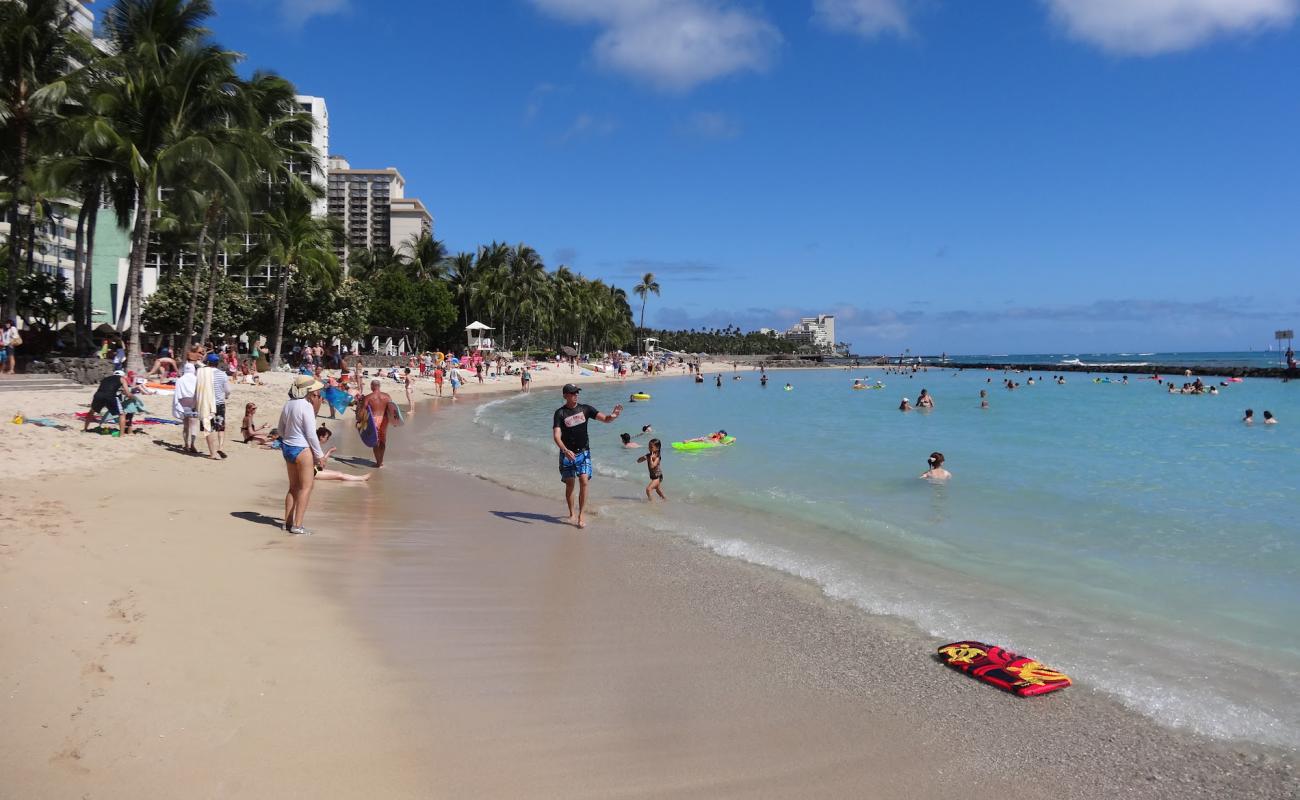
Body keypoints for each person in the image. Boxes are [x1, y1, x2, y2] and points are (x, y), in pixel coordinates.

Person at [552, 383, 622, 529]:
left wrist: (613, 415)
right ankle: (571, 512)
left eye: (577, 392)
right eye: (572, 393)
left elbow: (606, 419)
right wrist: (565, 450)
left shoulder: (586, 409)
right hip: (567, 453)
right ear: (565, 396)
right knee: (570, 484)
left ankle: (581, 515)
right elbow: (556, 436)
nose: (575, 395)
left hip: (583, 451)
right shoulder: (560, 413)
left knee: (584, 481)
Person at [278, 375, 326, 534]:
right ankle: (297, 526)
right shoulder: (306, 407)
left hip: (288, 448)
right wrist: (320, 455)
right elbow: (311, 434)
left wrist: (288, 439)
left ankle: (287, 523)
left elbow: (281, 430)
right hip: (302, 449)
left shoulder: (288, 404)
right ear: (309, 391)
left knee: (293, 487)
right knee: (306, 487)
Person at [356, 378, 401, 468]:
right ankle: (381, 460)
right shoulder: (387, 396)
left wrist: (359, 420)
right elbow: (392, 410)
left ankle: (378, 462)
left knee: (374, 440)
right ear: (379, 386)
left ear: (372, 386)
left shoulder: (369, 397)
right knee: (382, 440)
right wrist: (395, 422)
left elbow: (362, 412)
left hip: (374, 420)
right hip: (384, 420)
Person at [83, 370, 132, 436]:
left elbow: (105, 388)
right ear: (122, 375)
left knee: (91, 411)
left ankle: (85, 429)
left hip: (98, 395)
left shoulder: (105, 378)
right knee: (121, 414)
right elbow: (127, 393)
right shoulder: (122, 379)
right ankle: (121, 434)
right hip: (110, 396)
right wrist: (132, 397)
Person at [172, 363, 199, 452]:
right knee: (194, 425)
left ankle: (186, 444)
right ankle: (192, 444)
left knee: (186, 426)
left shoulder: (180, 380)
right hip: (194, 403)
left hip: (183, 404)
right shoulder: (197, 379)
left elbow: (177, 394)